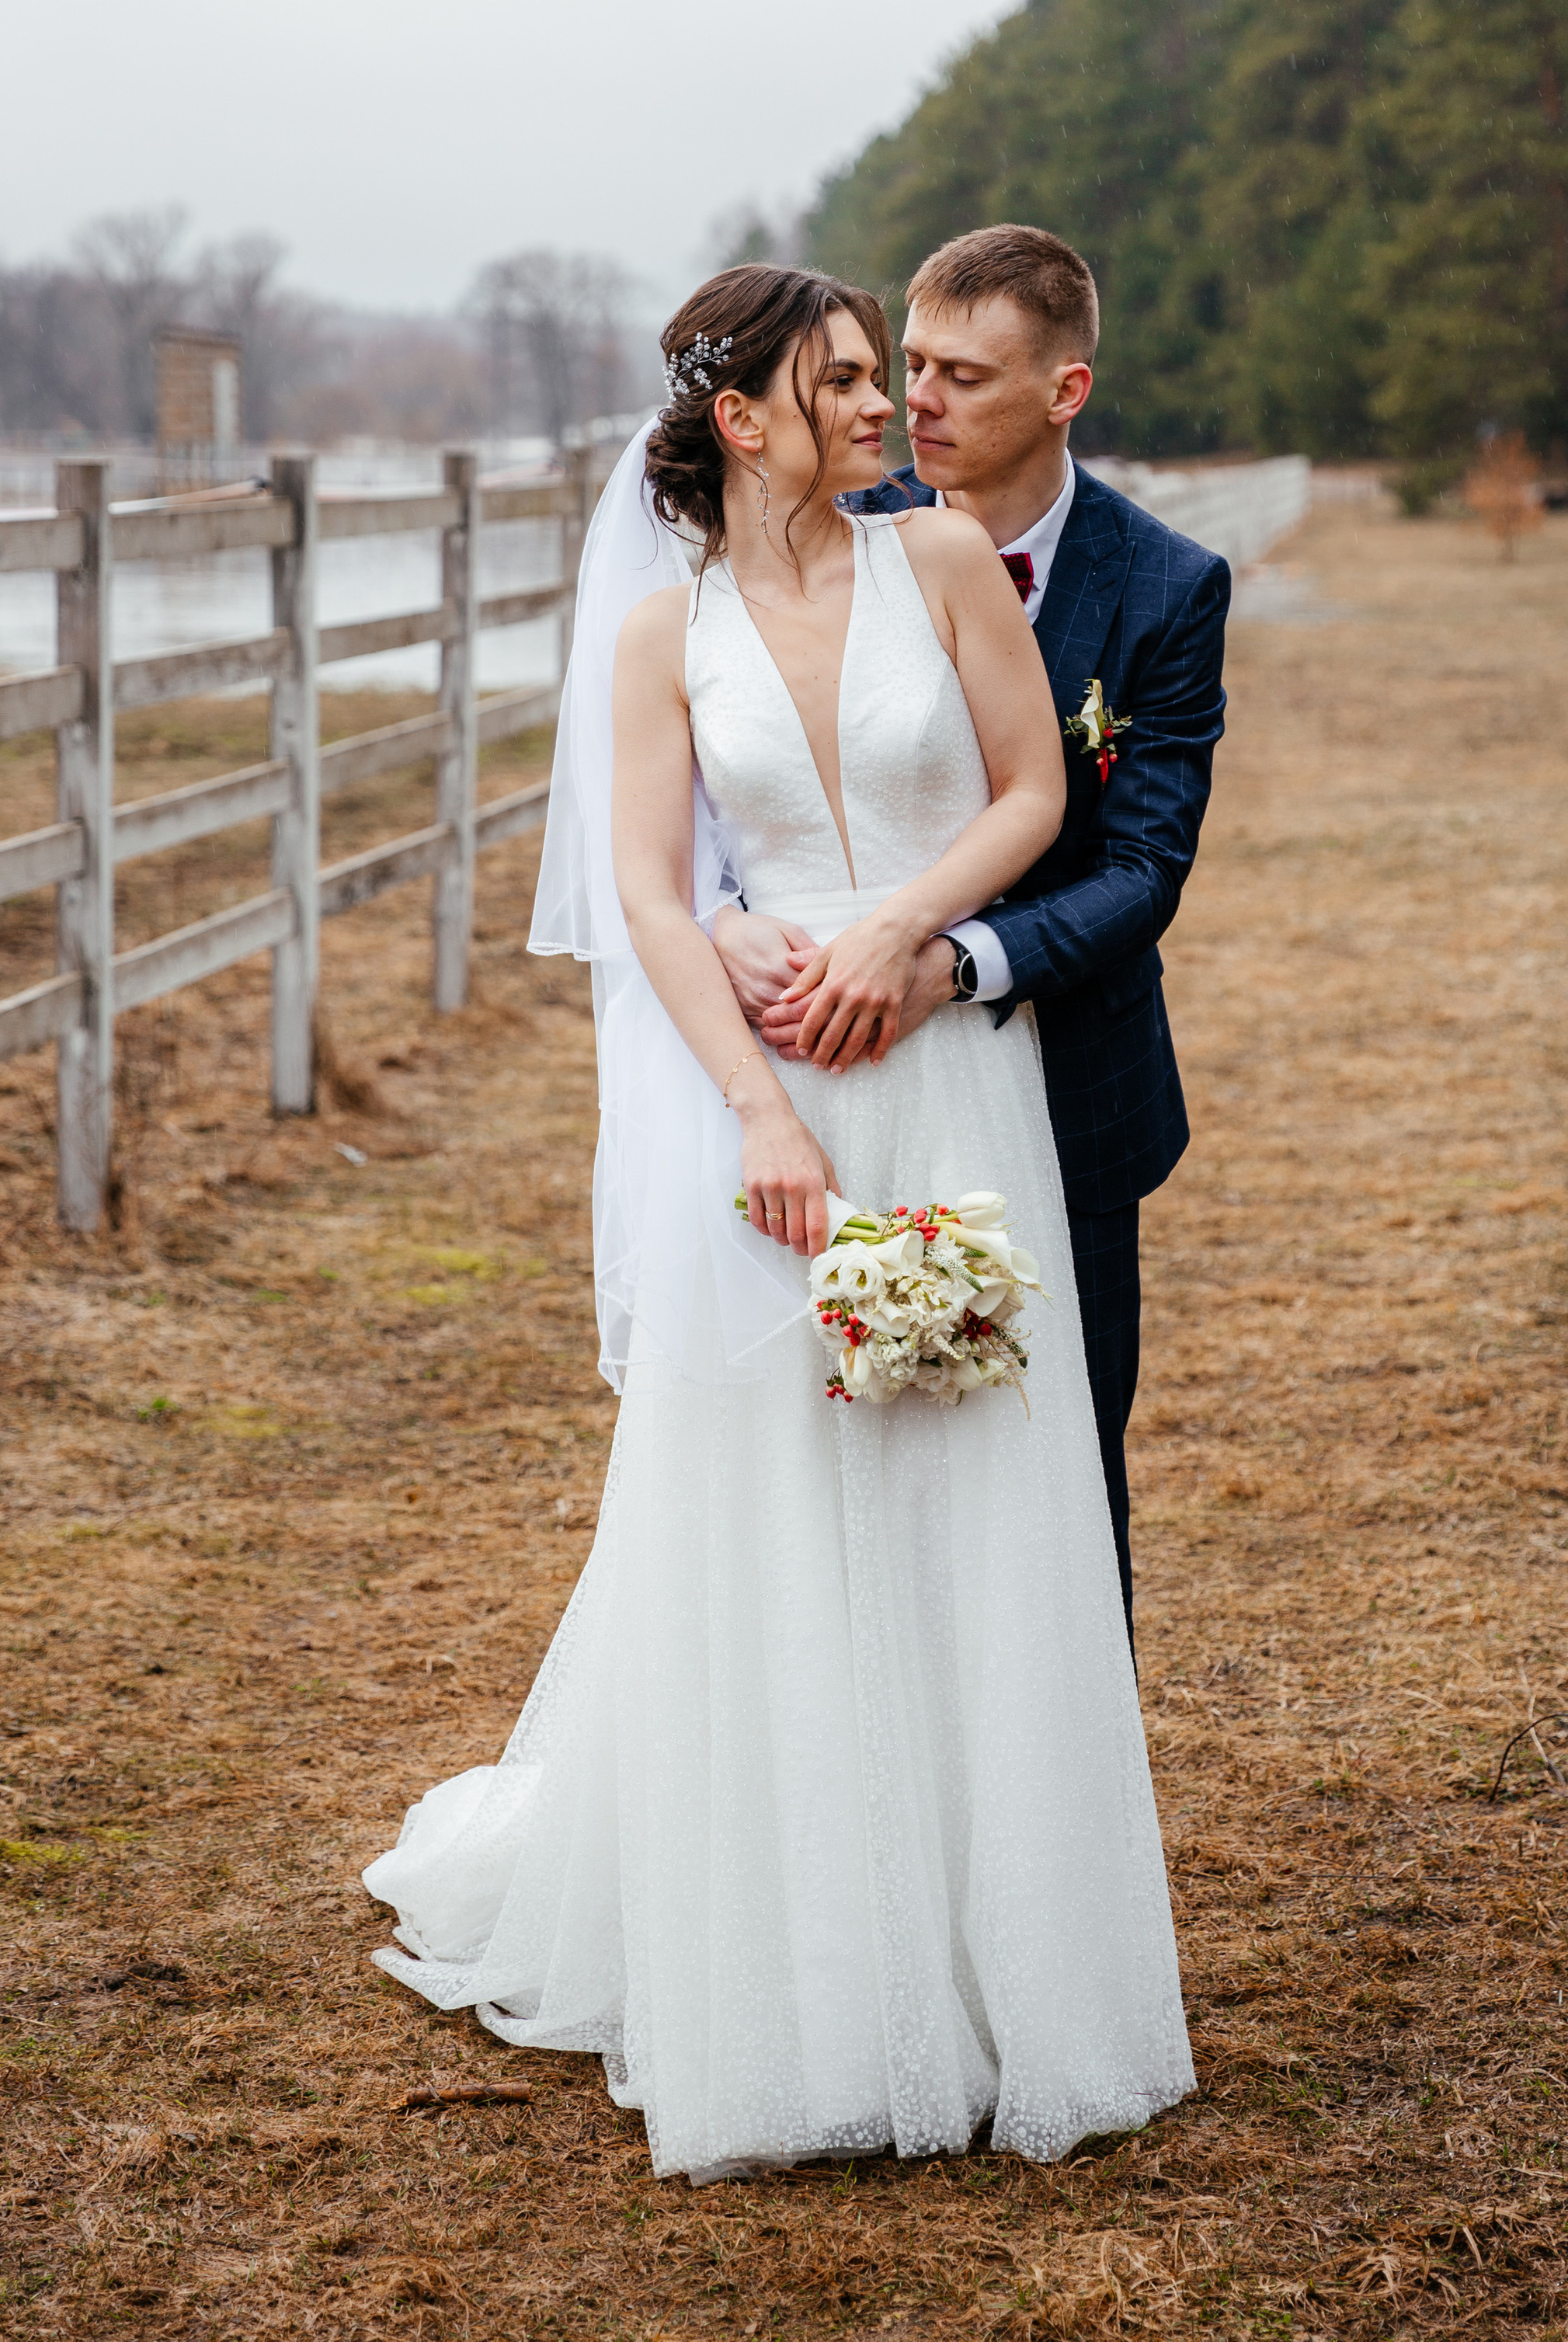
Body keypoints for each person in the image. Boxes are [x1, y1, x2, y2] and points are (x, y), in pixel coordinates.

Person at [363, 263, 1193, 2184]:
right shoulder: (660, 639)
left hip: (946, 1071)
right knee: (789, 1498)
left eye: (885, 377)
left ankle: (1017, 1985)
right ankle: (821, 1984)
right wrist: (754, 1108)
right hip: (785, 1103)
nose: (883, 407)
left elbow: (1027, 802)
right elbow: (654, 899)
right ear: (741, 418)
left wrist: (905, 931)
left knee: (973, 1474)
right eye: (838, 380)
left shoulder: (949, 570)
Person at [716, 226, 1232, 1641]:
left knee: (1058, 1459)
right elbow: (721, 769)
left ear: (1065, 391)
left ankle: (1064, 1821)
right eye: (910, 363)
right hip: (846, 1079)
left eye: (961, 374)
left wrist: (957, 960)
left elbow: (1142, 868)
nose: (915, 402)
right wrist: (719, 921)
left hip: (1067, 1086)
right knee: (834, 1449)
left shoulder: (1167, 589)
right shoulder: (834, 535)